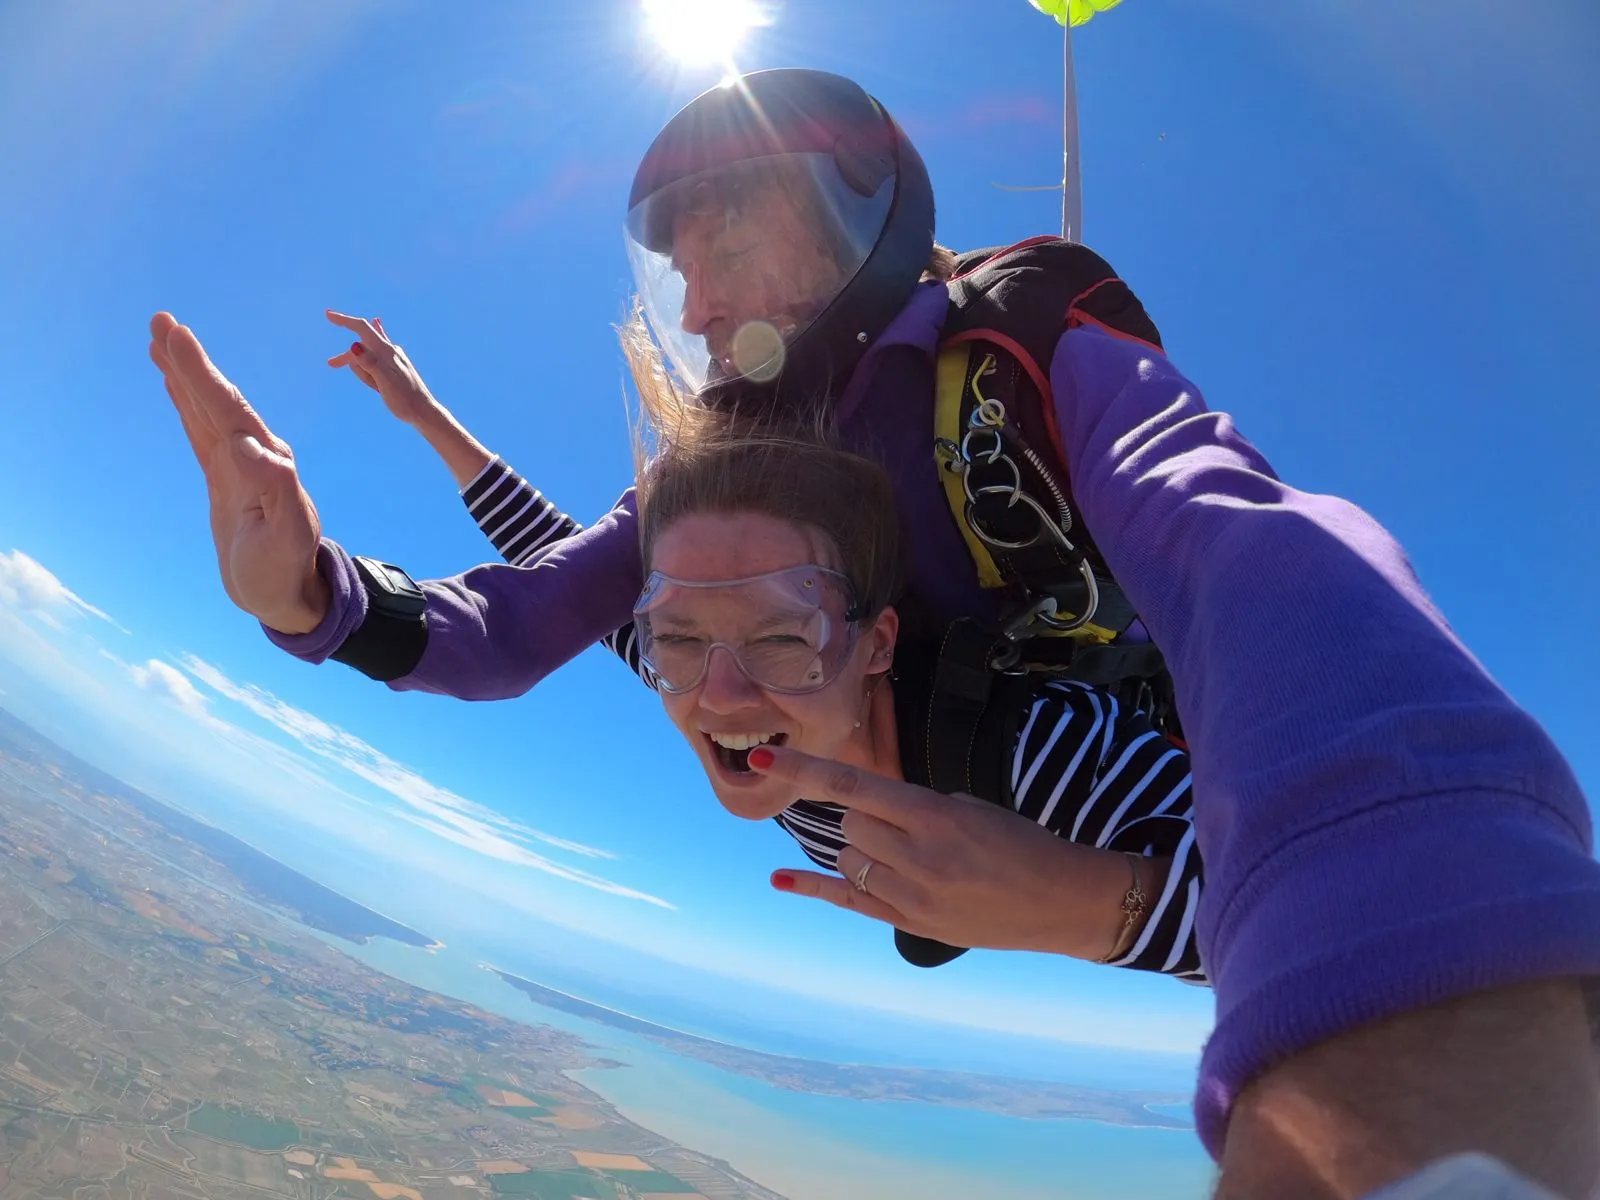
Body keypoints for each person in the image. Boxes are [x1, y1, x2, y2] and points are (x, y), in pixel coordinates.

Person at [149, 63, 1600, 1197]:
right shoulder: (728, 497)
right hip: (898, 787)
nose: (698, 308)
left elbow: (1242, 545)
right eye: (675, 269)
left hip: (1019, 781)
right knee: (696, 640)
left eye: (726, 243)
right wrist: (314, 591)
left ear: (860, 213)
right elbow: (543, 611)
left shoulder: (1019, 353)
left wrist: (1425, 982)